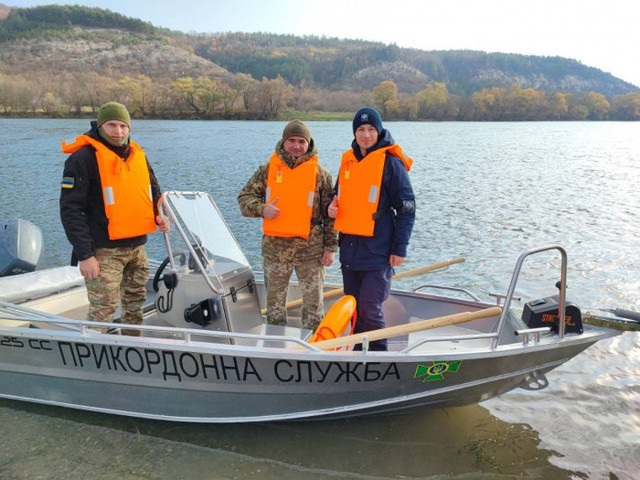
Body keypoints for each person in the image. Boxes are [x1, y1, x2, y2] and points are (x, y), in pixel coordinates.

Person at [59, 101, 170, 336]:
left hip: (137, 247)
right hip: (102, 250)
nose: (118, 131)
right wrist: (85, 255)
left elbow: (155, 193)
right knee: (104, 308)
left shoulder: (138, 155)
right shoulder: (82, 159)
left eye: (123, 126)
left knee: (135, 302)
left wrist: (160, 216)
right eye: (111, 125)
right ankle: (91, 359)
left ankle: (132, 346)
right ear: (100, 126)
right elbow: (70, 210)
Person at [328, 107, 415, 351]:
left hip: (379, 250)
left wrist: (400, 249)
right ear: (355, 133)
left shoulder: (391, 163)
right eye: (360, 130)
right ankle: (358, 355)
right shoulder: (348, 161)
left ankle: (379, 356)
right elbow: (337, 196)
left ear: (379, 131)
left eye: (370, 130)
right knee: (354, 306)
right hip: (350, 250)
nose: (366, 135)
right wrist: (330, 208)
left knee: (369, 306)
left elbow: (407, 209)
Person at [238, 120, 338, 331]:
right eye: (291, 140)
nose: (296, 146)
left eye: (301, 141)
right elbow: (244, 198)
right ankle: (276, 346)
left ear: (308, 144)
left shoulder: (321, 175)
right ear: (283, 142)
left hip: (311, 250)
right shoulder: (266, 171)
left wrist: (330, 248)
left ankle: (314, 350)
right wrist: (262, 208)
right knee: (274, 306)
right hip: (276, 250)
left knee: (313, 306)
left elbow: (332, 216)